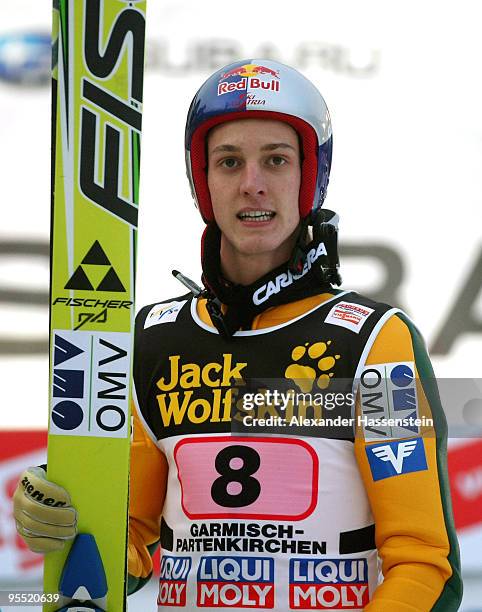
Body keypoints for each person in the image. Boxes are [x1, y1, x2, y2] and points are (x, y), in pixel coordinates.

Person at [14, 59, 462, 611]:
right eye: (229, 162)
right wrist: (72, 519)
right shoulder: (150, 342)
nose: (252, 185)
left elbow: (423, 562)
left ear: (309, 177)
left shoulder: (377, 345)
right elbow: (128, 542)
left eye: (276, 159)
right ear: (204, 183)